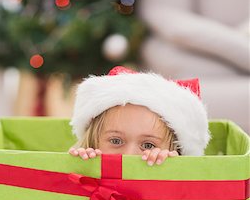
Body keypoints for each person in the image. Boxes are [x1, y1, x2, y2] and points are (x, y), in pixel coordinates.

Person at [69, 66, 210, 164]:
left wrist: (172, 170)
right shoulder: (87, 163)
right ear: (94, 142)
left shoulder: (173, 170)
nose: (129, 155)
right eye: (116, 141)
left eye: (148, 145)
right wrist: (80, 168)